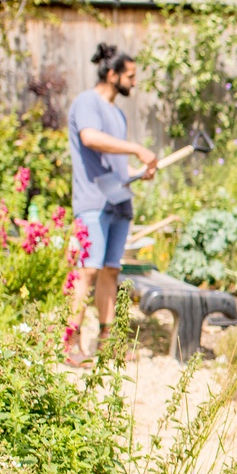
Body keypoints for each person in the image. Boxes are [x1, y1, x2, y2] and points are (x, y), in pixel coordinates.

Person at [66, 43, 158, 366]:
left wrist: (134, 174)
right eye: (130, 76)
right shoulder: (86, 103)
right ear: (112, 74)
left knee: (110, 271)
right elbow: (90, 139)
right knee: (87, 269)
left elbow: (113, 165)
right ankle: (69, 341)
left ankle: (107, 342)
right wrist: (135, 148)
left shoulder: (118, 114)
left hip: (118, 201)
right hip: (92, 200)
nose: (134, 82)